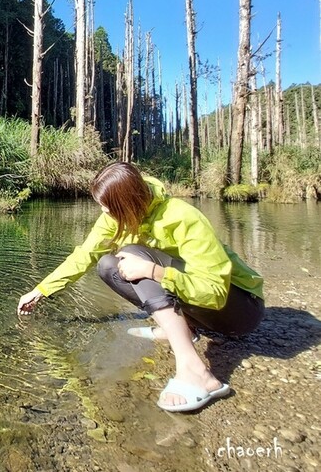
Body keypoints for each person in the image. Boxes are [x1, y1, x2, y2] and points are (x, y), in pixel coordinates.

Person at [17, 162, 265, 412]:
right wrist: (41, 290)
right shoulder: (114, 218)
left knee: (133, 255)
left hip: (240, 310)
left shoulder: (183, 217)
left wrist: (155, 272)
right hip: (201, 309)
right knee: (107, 265)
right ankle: (183, 329)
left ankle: (196, 372)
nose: (103, 211)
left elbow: (215, 294)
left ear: (128, 204)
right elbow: (84, 256)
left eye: (108, 207)